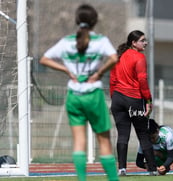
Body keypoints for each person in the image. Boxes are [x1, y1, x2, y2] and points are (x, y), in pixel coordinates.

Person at [39, 4, 119, 181]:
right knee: (104, 141)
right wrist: (99, 73)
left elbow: (44, 59)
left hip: (74, 96)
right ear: (95, 21)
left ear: (77, 21)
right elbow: (114, 58)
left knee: (78, 142)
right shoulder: (100, 41)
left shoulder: (66, 42)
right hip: (93, 95)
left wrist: (67, 71)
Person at [110, 30, 157, 176]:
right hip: (133, 99)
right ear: (133, 43)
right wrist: (148, 100)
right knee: (143, 134)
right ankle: (152, 169)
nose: (146, 43)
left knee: (122, 135)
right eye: (142, 40)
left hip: (117, 99)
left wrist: (115, 98)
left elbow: (112, 80)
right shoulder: (139, 57)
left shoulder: (118, 56)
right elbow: (142, 80)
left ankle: (122, 169)